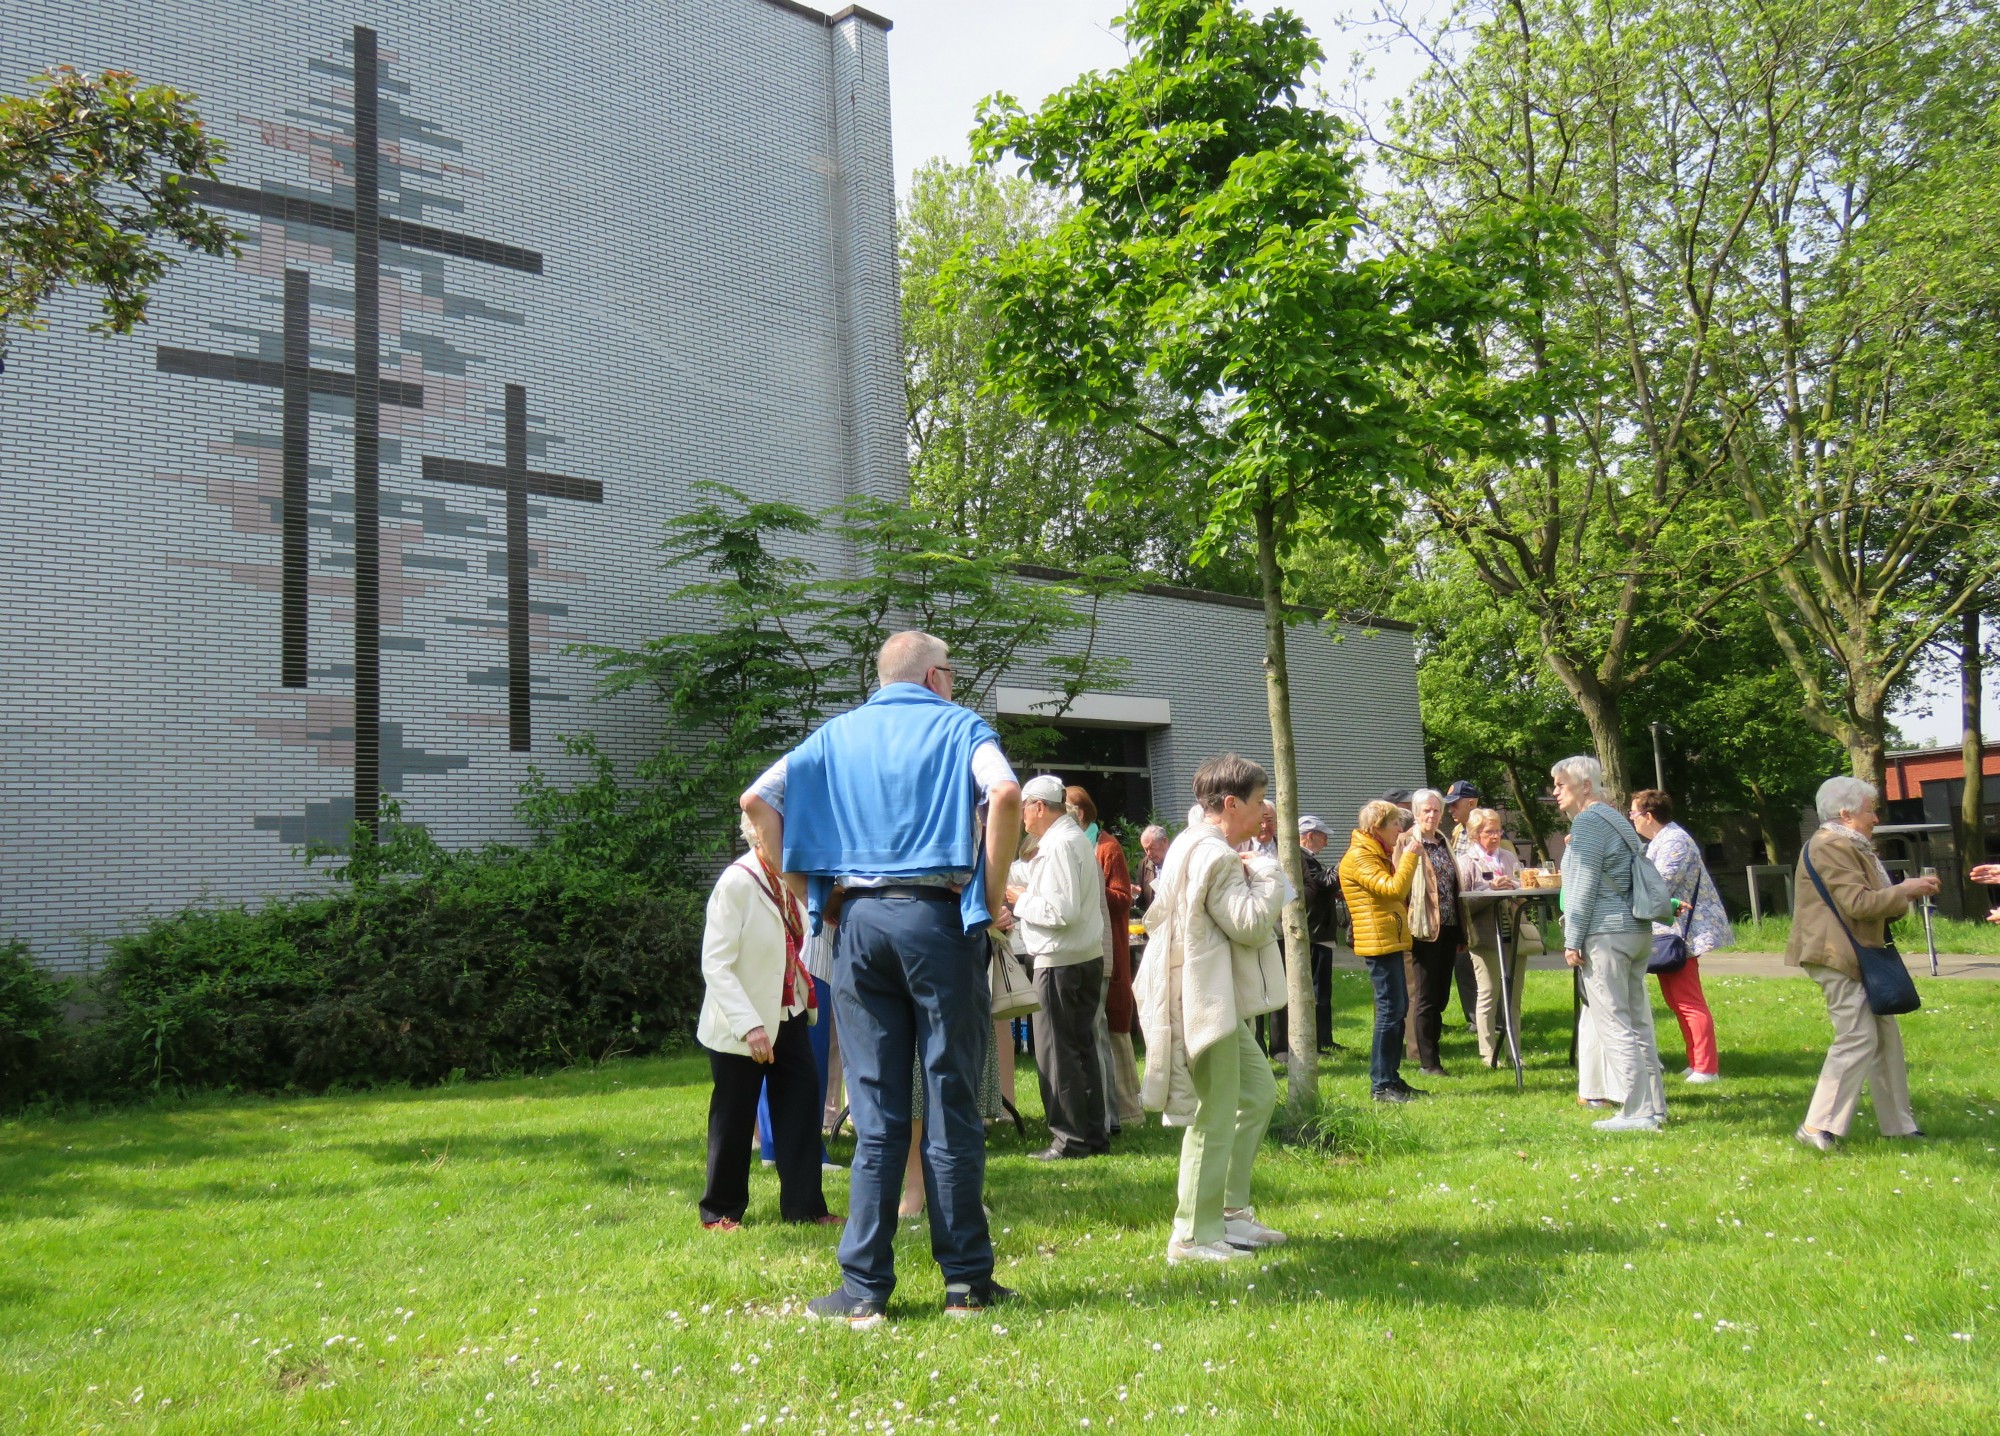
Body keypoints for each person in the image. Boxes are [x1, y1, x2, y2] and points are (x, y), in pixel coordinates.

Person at [742, 630, 1022, 1327]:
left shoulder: (837, 735)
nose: (953, 685)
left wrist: (816, 891)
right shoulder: (961, 728)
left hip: (860, 926)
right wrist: (985, 896)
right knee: (953, 1099)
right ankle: (966, 1285)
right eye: (952, 673)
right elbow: (1007, 794)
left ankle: (864, 1290)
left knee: (876, 1112)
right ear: (934, 676)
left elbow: (756, 801)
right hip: (939, 923)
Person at [1133, 754, 1288, 1264]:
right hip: (1203, 999)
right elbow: (1247, 922)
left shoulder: (1191, 842)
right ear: (1229, 803)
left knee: (1258, 1093)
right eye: (1259, 801)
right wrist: (1267, 870)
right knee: (1215, 1112)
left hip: (1202, 994)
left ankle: (1229, 1213)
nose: (1264, 813)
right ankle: (1191, 1236)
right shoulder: (1218, 854)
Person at [697, 816, 837, 1231]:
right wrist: (749, 1025)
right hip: (741, 1024)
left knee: (799, 1111)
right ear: (758, 837)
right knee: (734, 1117)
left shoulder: (788, 880)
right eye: (780, 835)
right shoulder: (737, 882)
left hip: (788, 1014)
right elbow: (716, 964)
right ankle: (720, 1212)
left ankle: (806, 1208)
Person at [1789, 776, 1938, 1151]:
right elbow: (1858, 904)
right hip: (1837, 954)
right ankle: (1815, 1127)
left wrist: (1902, 895)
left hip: (1857, 951)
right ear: (1845, 813)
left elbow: (1875, 908)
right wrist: (1905, 890)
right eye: (1871, 810)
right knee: (1857, 1037)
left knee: (1884, 1038)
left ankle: (1899, 1125)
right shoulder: (1831, 845)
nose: (1875, 818)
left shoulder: (1851, 845)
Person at [1553, 755, 1667, 1133]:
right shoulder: (1617, 818)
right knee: (1638, 1021)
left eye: (1561, 784)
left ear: (1585, 786)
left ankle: (1636, 1112)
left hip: (1605, 934)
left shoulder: (1588, 821)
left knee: (1614, 1022)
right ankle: (1655, 1107)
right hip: (1636, 930)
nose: (1555, 792)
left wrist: (1571, 940)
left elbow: (1582, 886)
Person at [1010, 774, 1109, 1160]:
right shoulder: (1070, 839)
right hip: (1081, 957)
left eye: (1023, 807)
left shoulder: (1058, 846)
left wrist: (1018, 901)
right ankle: (1091, 1136)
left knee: (1058, 1053)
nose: (1021, 816)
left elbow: (1059, 911)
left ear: (1038, 806)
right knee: (1081, 1048)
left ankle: (1068, 1140)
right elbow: (1040, 881)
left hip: (1060, 961)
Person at [1628, 789, 1729, 1084]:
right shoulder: (1663, 839)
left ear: (1648, 816)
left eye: (1633, 814)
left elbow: (1657, 888)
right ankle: (1696, 1061)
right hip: (1670, 933)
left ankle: (1707, 1067)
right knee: (1676, 999)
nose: (1632, 819)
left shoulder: (1675, 841)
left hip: (1683, 933)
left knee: (1687, 1000)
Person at [1339, 799, 1425, 1102]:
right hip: (1378, 942)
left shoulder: (1374, 852)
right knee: (1390, 1011)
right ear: (1377, 827)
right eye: (1394, 824)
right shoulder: (1361, 856)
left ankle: (1392, 1078)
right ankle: (1381, 1085)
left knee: (1398, 1009)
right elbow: (1392, 889)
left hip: (1389, 938)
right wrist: (1410, 858)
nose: (1399, 830)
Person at [1071, 786, 1144, 1130]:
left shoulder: (1106, 846)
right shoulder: (1074, 844)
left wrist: (1086, 885)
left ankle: (1126, 1113)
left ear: (1080, 813)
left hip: (1108, 948)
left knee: (1110, 1030)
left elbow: (1122, 897)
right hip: (1083, 947)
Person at [1455, 807, 1525, 1067]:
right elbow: (1463, 905)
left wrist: (1516, 887)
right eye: (1489, 832)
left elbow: (1524, 889)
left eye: (1498, 830)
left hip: (1514, 934)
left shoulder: (1508, 857)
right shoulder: (1465, 862)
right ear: (1474, 834)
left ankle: (1514, 1052)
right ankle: (1488, 1053)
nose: (1495, 836)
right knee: (1488, 993)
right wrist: (1489, 890)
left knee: (1514, 997)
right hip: (1484, 936)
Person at [1403, 789, 1466, 1078]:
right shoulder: (1408, 841)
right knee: (1425, 996)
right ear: (1416, 813)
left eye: (1436, 810)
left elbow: (1454, 888)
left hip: (1449, 927)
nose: (1431, 815)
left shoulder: (1442, 842)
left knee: (1440, 996)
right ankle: (1428, 1061)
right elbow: (1401, 884)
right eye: (1426, 810)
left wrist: (1462, 932)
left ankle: (1434, 1051)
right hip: (1423, 929)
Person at [1298, 815, 1341, 1052]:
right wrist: (1345, 864)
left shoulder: (1309, 859)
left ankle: (1325, 1038)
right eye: (1323, 836)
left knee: (1323, 990)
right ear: (1310, 836)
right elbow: (1323, 883)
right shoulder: (1302, 859)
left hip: (1319, 931)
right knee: (1317, 990)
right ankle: (1317, 1040)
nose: (1326, 841)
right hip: (1315, 933)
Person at [1443, 780, 1484, 1023]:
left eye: (1454, 805)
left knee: (1482, 966)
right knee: (1463, 965)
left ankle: (1492, 1019)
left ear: (1471, 802)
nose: (1450, 811)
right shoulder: (1459, 832)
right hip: (1461, 907)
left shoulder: (1487, 828)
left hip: (1481, 906)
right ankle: (1473, 1019)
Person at [1138, 824, 1170, 912]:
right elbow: (1141, 901)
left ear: (1165, 841)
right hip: (1154, 919)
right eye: (1145, 849)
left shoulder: (1178, 860)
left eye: (1152, 847)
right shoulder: (1145, 864)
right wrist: (1133, 893)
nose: (1148, 853)